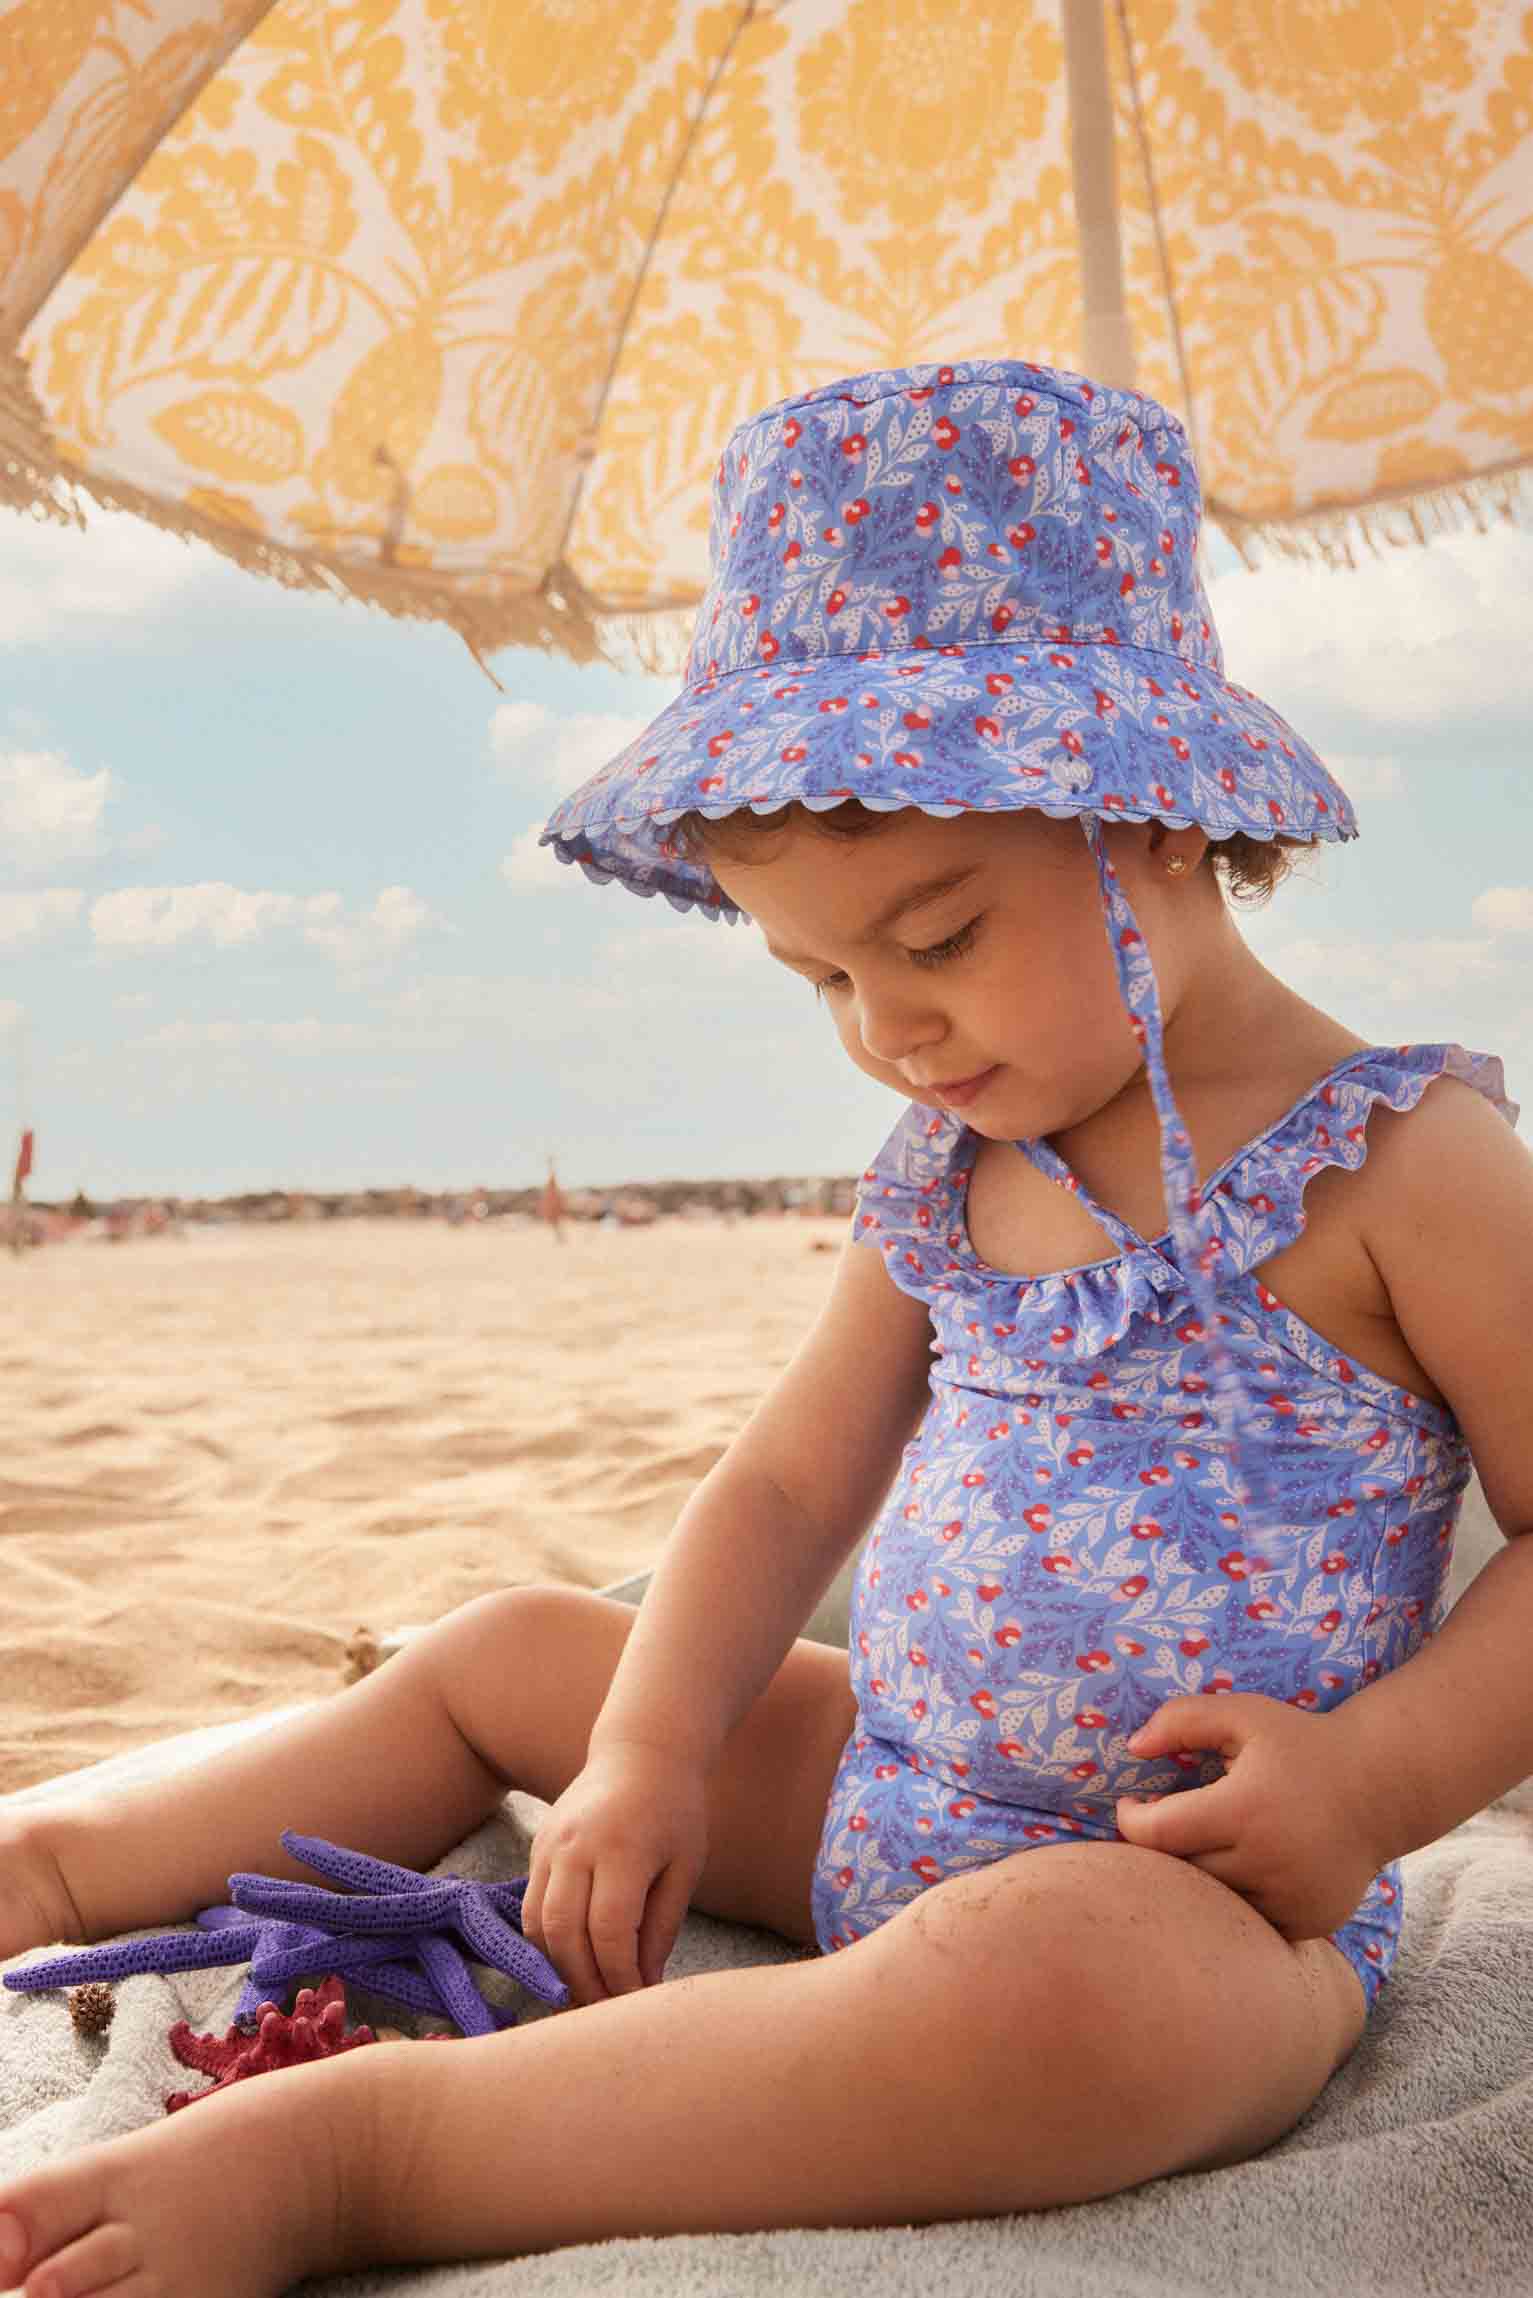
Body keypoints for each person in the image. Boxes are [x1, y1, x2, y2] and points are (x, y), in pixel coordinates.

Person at [2, 357, 1531, 2293]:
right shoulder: (949, 1161)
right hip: (882, 1778)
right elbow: (792, 1479)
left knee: (1069, 2003)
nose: (884, 1024)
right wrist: (644, 1754)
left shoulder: (1405, 1159)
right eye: (815, 970)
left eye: (935, 935)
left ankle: (376, 2157)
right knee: (512, 1654)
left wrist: (1370, 1792)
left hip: (1200, 1888)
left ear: (1149, 820)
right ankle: (52, 1862)